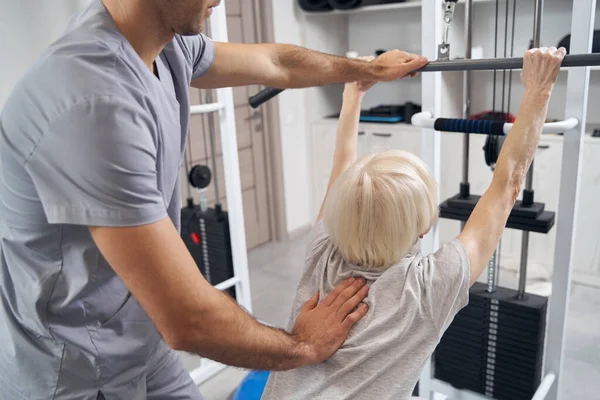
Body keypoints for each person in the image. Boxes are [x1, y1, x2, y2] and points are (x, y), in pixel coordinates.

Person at [0, 1, 429, 399]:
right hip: (78, 368)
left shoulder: (166, 46)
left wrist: (366, 69)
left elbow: (274, 62)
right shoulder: (92, 103)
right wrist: (303, 345)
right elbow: (188, 320)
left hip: (138, 338)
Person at [261, 46, 566, 400]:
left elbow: (342, 162)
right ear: (424, 227)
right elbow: (508, 183)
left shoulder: (321, 247)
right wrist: (539, 88)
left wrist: (353, 91)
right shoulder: (429, 287)